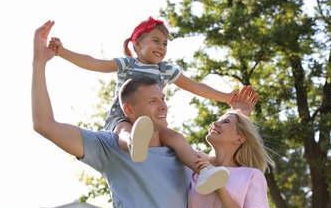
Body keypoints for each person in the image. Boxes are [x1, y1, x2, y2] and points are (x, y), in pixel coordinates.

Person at [47, 16, 259, 195]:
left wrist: (227, 98)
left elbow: (196, 87)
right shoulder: (127, 64)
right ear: (137, 44)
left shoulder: (165, 70)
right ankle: (134, 144)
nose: (161, 47)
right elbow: (94, 63)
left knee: (176, 138)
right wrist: (63, 52)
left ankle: (204, 172)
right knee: (123, 131)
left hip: (155, 123)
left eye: (165, 43)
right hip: (122, 116)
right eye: (156, 41)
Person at [32, 20, 193, 208]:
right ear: (129, 111)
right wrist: (39, 62)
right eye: (152, 101)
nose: (162, 107)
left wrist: (240, 113)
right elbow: (44, 125)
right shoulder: (110, 147)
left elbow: (230, 171)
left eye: (163, 99)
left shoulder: (181, 153)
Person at [162, 110, 274, 208]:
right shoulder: (197, 167)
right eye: (218, 120)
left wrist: (219, 187)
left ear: (239, 139)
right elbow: (170, 136)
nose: (215, 123)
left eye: (225, 122)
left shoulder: (251, 175)